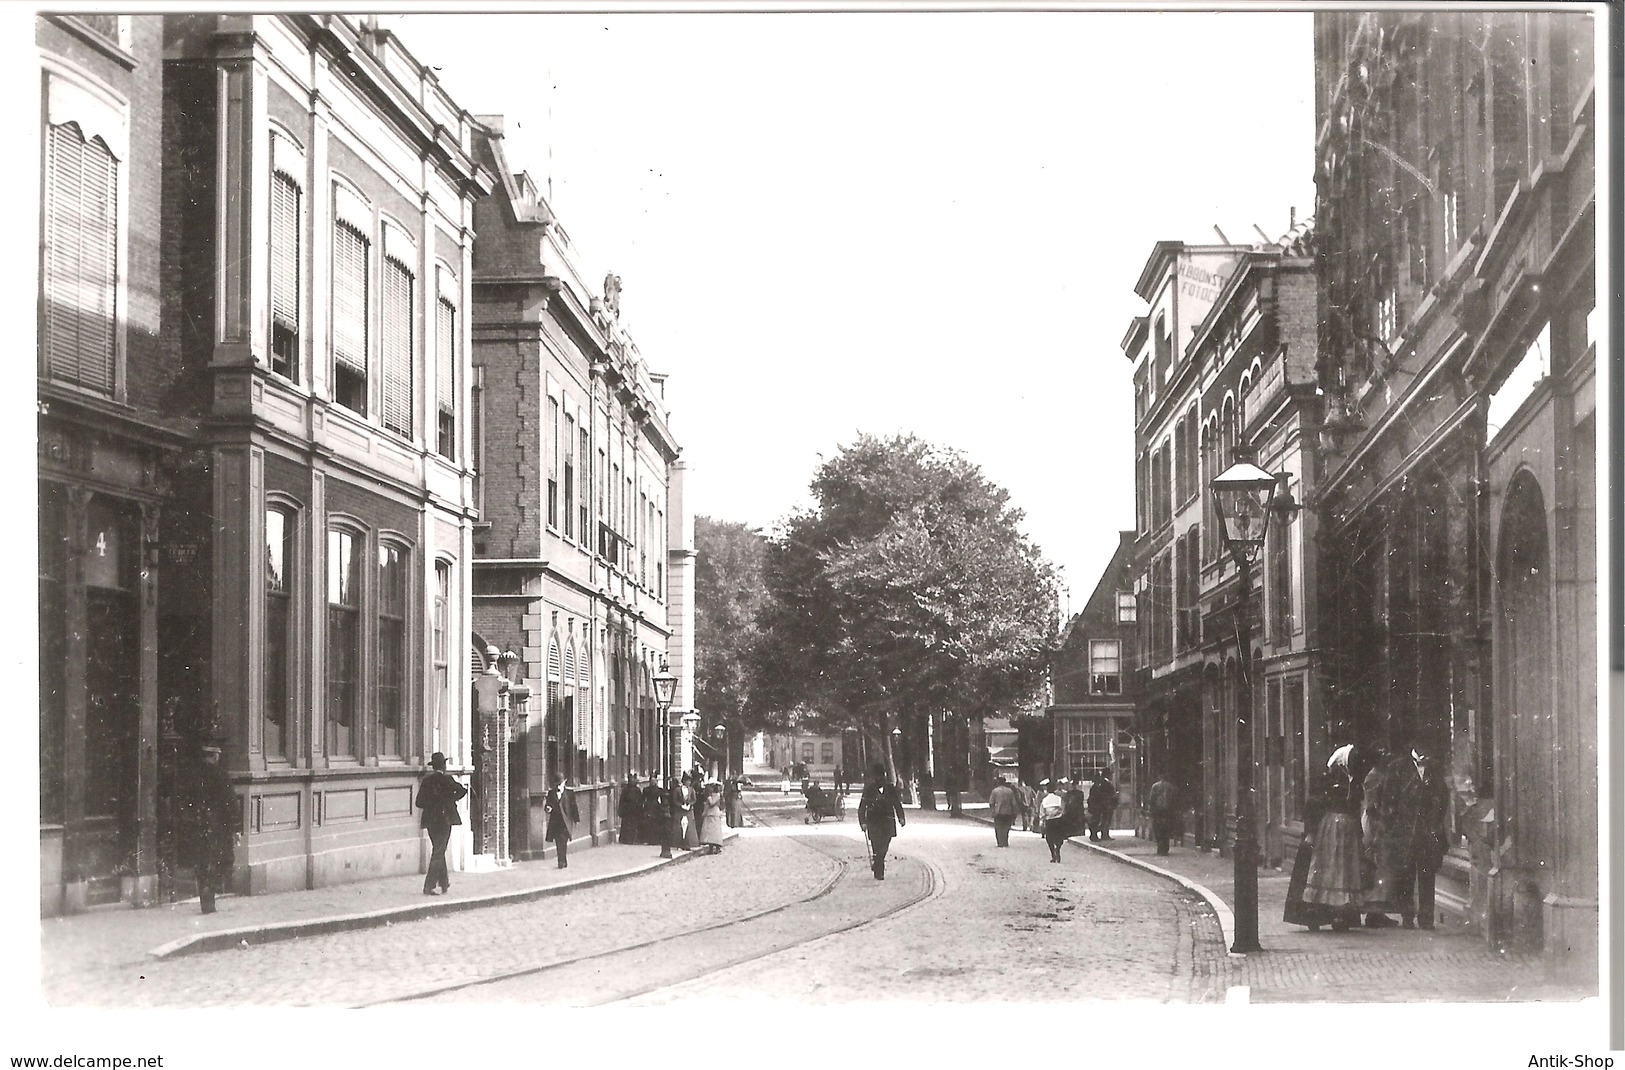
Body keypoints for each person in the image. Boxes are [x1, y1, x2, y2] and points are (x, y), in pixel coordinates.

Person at [1363, 739, 1450, 929]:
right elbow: (1388, 801)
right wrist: (1391, 828)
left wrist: (1436, 822)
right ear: (1414, 747)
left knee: (1428, 875)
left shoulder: (1434, 768)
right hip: (1403, 833)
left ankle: (1426, 917)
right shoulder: (1398, 767)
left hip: (1427, 831)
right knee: (1406, 875)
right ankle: (1407, 915)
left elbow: (1443, 796)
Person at [1288, 744, 1369, 932]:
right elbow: (1314, 805)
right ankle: (1316, 912)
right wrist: (1311, 831)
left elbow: (1357, 808)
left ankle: (1340, 914)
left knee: (1341, 872)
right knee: (1325, 870)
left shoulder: (1354, 783)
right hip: (1328, 831)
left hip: (1344, 833)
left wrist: (1358, 833)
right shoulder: (1327, 781)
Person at [182, 735, 240, 912]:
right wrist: (236, 828)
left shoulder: (192, 776)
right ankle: (210, 893)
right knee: (223, 860)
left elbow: (185, 801)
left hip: (197, 825)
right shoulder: (221, 775)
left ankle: (205, 899)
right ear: (215, 756)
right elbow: (230, 802)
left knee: (202, 862)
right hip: (218, 826)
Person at [414, 750, 466, 897]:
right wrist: (450, 799)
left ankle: (444, 883)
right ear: (443, 766)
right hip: (445, 819)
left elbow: (419, 802)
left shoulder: (426, 781)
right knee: (439, 851)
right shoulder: (447, 780)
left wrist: (432, 803)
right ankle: (428, 886)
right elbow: (462, 791)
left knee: (438, 849)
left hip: (431, 820)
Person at [857, 763, 907, 879]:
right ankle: (879, 871)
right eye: (877, 776)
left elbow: (897, 804)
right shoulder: (869, 790)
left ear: (884, 776)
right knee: (876, 846)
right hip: (873, 822)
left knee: (884, 847)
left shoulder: (890, 789)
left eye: (881, 776)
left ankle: (878, 863)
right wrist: (863, 822)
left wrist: (901, 817)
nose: (879, 778)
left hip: (887, 822)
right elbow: (862, 807)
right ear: (874, 777)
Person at [544, 773, 580, 868]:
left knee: (563, 842)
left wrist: (576, 819)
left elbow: (574, 806)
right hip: (556, 823)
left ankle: (562, 860)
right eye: (557, 784)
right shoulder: (551, 793)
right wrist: (548, 808)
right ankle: (561, 861)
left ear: (564, 782)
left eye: (560, 783)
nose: (558, 786)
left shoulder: (570, 793)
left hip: (566, 822)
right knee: (558, 842)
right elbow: (548, 805)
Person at [1147, 773, 1179, 855]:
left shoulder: (1155, 786)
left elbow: (1151, 800)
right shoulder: (1171, 787)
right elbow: (1175, 800)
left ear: (1159, 777)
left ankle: (1160, 846)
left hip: (1157, 812)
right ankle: (1165, 847)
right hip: (1168, 812)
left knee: (1158, 829)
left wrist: (1152, 810)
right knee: (1166, 830)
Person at [1039, 780, 1068, 863]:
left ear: (1047, 789)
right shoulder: (1059, 799)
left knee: (1049, 838)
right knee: (1059, 837)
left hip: (1049, 821)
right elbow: (1062, 809)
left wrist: (1041, 822)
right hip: (1058, 821)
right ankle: (1057, 849)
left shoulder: (1044, 800)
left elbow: (1042, 812)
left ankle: (1053, 854)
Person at [987, 775, 1021, 848]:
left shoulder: (995, 791)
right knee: (1006, 827)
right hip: (1008, 812)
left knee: (998, 827)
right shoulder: (1010, 791)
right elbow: (1014, 803)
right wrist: (1014, 812)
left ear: (998, 782)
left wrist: (993, 809)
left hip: (998, 812)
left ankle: (1000, 842)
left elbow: (991, 802)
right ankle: (1005, 841)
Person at [1087, 768, 1119, 842]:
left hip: (1104, 805)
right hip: (1105, 805)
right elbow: (1105, 795)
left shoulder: (1101, 784)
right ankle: (1102, 834)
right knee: (1104, 820)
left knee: (1104, 820)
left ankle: (1103, 834)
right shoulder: (1105, 783)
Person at [699, 780, 726, 854]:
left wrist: (709, 798)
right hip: (709, 814)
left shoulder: (717, 795)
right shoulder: (710, 795)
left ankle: (717, 847)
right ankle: (711, 847)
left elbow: (712, 803)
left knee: (715, 831)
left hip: (715, 813)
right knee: (709, 831)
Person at [618, 773, 644, 844]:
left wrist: (640, 808)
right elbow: (622, 800)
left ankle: (633, 839)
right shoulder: (625, 790)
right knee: (626, 825)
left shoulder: (637, 790)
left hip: (635, 810)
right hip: (627, 810)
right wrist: (621, 809)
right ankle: (625, 839)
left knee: (634, 825)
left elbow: (640, 800)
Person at [681, 773, 702, 850]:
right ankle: (681, 842)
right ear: (684, 781)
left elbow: (694, 799)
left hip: (689, 810)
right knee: (681, 826)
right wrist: (681, 805)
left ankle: (690, 842)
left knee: (690, 826)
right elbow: (675, 799)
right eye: (687, 781)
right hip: (681, 810)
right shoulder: (679, 789)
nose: (689, 783)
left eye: (690, 781)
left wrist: (690, 804)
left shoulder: (691, 790)